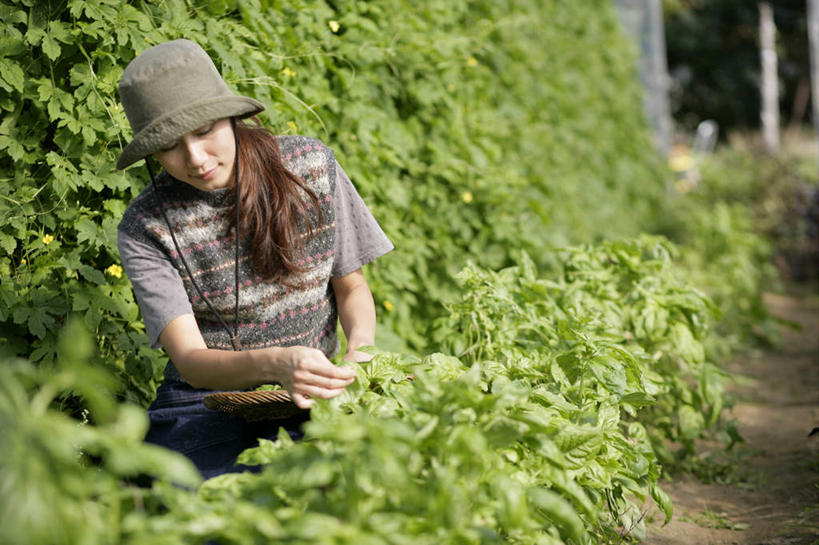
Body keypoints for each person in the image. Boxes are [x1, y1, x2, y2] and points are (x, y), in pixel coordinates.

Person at [115, 39, 393, 478]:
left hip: (312, 392)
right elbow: (190, 360)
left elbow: (353, 287)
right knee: (184, 507)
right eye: (170, 145)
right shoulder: (145, 227)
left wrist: (360, 354)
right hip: (204, 402)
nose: (195, 159)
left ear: (231, 117)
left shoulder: (310, 167)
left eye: (204, 130)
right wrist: (276, 363)